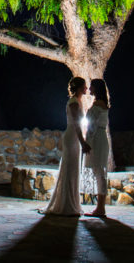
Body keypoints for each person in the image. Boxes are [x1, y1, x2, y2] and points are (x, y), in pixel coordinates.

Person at [44, 76, 91, 215]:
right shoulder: (73, 102)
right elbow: (76, 123)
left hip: (75, 137)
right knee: (70, 169)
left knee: (73, 170)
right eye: (84, 86)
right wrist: (82, 142)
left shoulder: (78, 101)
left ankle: (71, 203)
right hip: (72, 138)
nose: (86, 88)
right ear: (79, 87)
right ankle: (66, 204)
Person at [82, 78, 112, 217]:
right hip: (101, 137)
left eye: (91, 86)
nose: (89, 89)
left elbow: (91, 125)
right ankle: (100, 207)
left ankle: (100, 208)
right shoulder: (103, 103)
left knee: (99, 172)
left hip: (97, 139)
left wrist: (87, 142)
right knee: (99, 172)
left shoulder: (98, 105)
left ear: (97, 88)